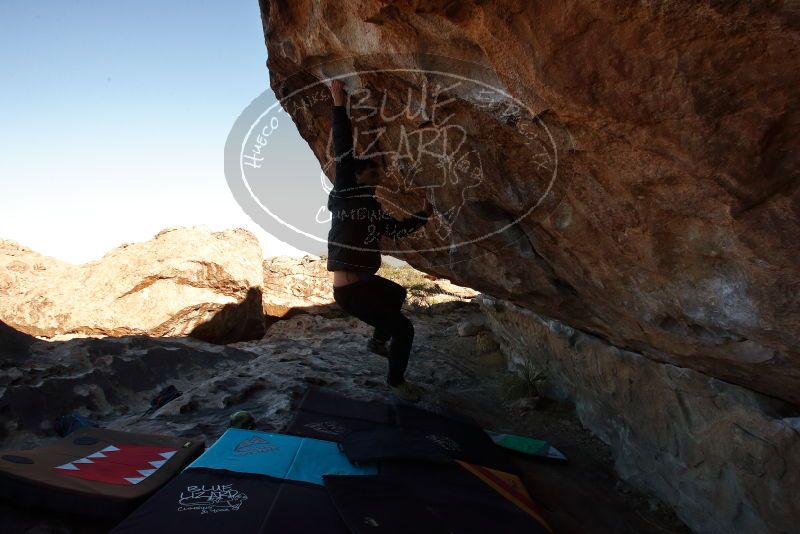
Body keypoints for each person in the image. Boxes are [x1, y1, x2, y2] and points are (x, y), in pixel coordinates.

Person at [325, 79, 432, 403]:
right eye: (373, 174)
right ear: (357, 176)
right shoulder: (346, 192)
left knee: (398, 291)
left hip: (364, 284)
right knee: (405, 330)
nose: (378, 178)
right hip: (351, 291)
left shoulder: (372, 207)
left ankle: (376, 341)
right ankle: (396, 383)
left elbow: (396, 231)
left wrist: (424, 214)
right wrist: (338, 104)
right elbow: (344, 149)